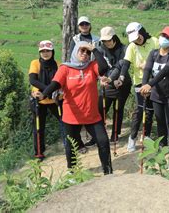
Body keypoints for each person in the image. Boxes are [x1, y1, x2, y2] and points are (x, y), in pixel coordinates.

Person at [38, 41, 112, 174]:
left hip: (91, 115)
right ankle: (72, 172)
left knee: (103, 142)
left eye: (87, 52)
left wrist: (94, 49)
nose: (85, 53)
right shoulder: (65, 68)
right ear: (75, 52)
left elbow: (104, 68)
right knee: (71, 146)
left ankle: (108, 171)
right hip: (71, 116)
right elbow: (55, 84)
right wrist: (44, 94)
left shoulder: (92, 66)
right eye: (82, 50)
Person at [117, 22, 159, 152]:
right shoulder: (132, 47)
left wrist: (149, 65)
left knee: (150, 110)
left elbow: (161, 57)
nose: (137, 40)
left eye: (138, 36)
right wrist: (122, 77)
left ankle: (146, 136)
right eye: (134, 39)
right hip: (140, 82)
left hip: (154, 81)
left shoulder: (154, 41)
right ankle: (132, 137)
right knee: (140, 110)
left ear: (142, 31)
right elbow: (126, 64)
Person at [140, 26, 169, 147]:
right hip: (156, 94)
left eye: (167, 37)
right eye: (163, 35)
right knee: (160, 123)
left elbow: (165, 71)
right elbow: (147, 69)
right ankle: (162, 148)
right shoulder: (153, 53)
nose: (164, 38)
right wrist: (144, 86)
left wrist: (149, 84)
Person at [28, 40, 64, 160]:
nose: (45, 53)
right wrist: (46, 91)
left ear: (52, 51)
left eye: (47, 51)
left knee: (65, 123)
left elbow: (60, 82)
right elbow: (33, 80)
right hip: (39, 99)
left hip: (56, 99)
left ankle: (69, 144)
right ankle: (39, 152)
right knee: (38, 127)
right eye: (42, 51)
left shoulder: (59, 65)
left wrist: (47, 92)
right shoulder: (35, 63)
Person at [96, 26, 132, 142]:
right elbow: (98, 67)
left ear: (114, 38)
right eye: (104, 41)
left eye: (109, 40)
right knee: (100, 109)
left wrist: (114, 79)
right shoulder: (100, 49)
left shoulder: (124, 48)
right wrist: (101, 78)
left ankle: (115, 134)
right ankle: (99, 134)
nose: (107, 43)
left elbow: (121, 65)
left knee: (118, 109)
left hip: (122, 83)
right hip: (107, 84)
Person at [70, 15, 99, 149]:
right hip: (78, 72)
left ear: (90, 25)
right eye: (82, 24)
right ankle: (82, 136)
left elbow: (99, 54)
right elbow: (71, 55)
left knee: (91, 101)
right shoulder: (75, 39)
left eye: (86, 24)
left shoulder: (96, 39)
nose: (84, 26)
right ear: (78, 26)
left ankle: (93, 134)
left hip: (92, 70)